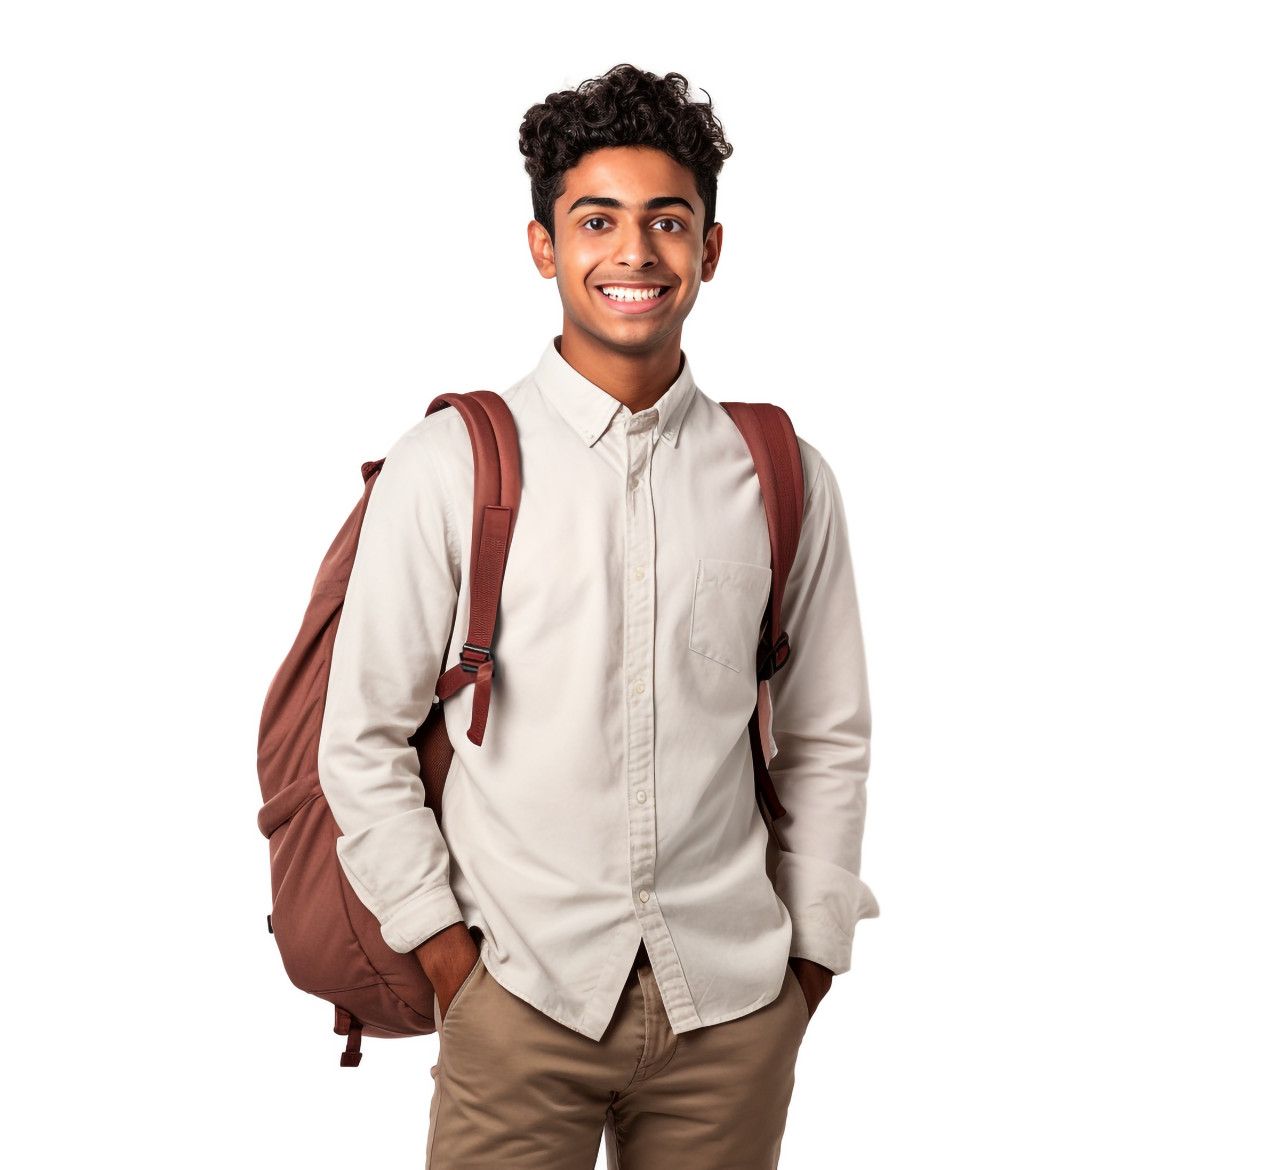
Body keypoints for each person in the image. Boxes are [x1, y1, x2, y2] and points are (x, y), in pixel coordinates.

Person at [316, 62, 877, 1169]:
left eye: (667, 221)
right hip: (517, 998)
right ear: (544, 246)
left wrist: (805, 965)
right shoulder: (449, 466)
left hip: (730, 1008)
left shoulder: (778, 475)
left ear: (709, 248)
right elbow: (363, 740)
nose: (634, 253)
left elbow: (827, 739)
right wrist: (447, 961)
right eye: (597, 220)